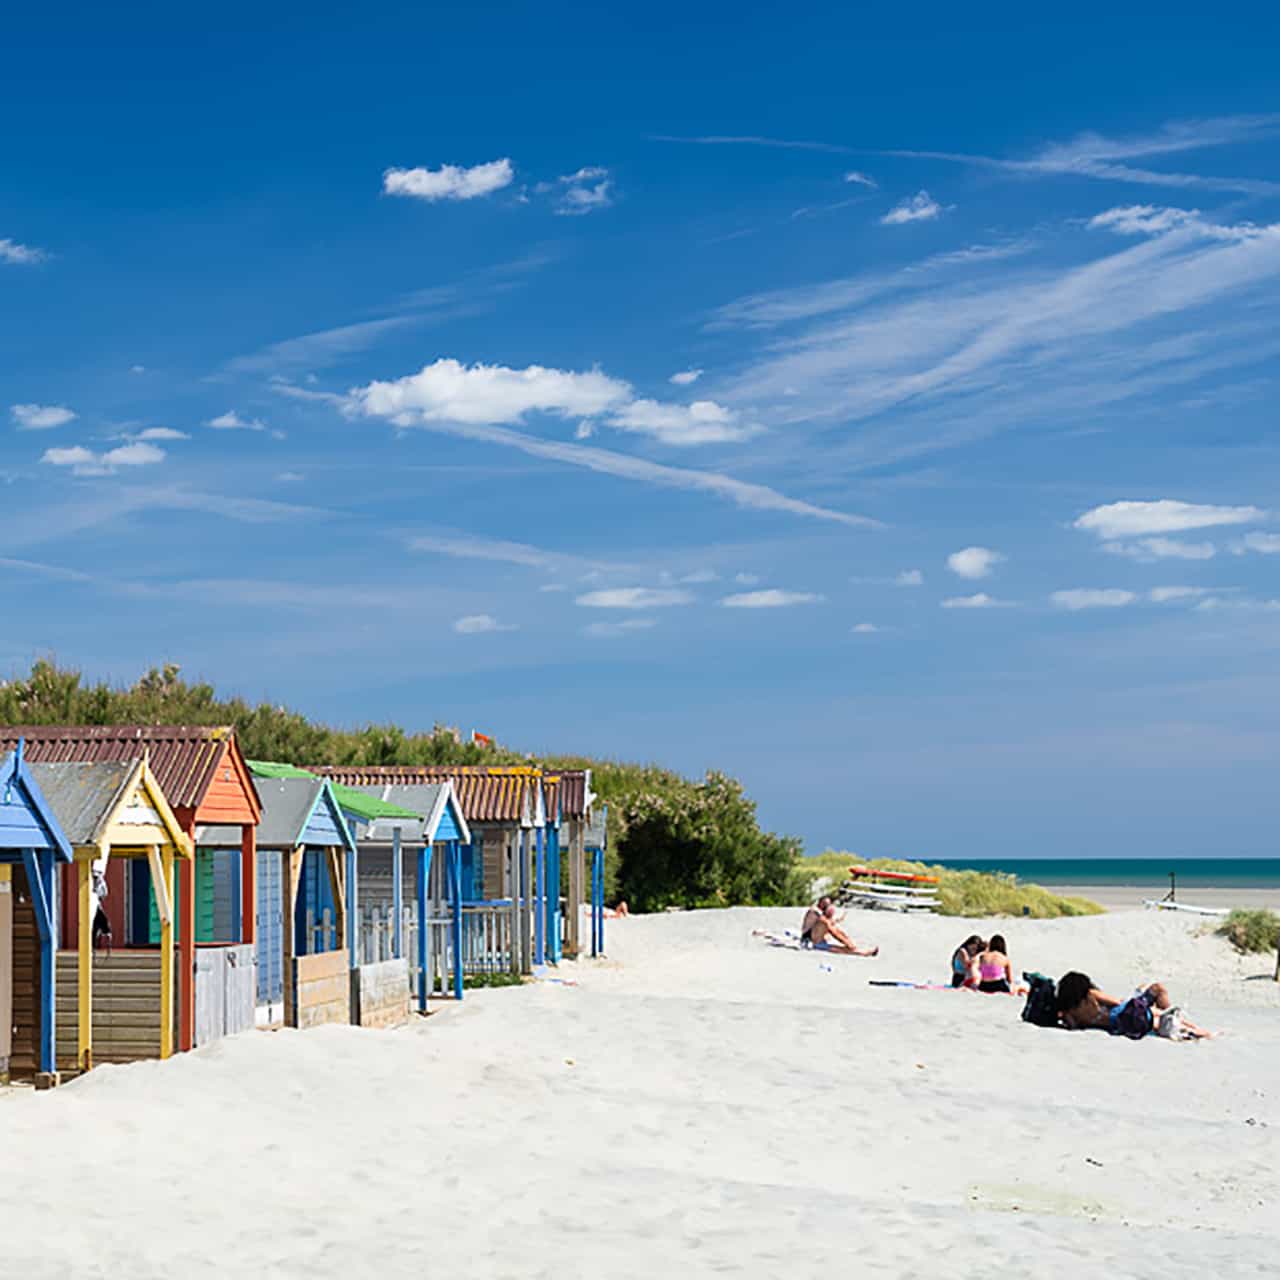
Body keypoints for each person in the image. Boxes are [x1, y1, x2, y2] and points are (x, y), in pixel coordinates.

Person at [1056, 971, 1214, 1040]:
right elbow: (1118, 1003)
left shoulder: (1071, 1012)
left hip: (1115, 1025)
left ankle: (1178, 1023)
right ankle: (1192, 1027)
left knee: (1154, 1016)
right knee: (1157, 991)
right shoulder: (1090, 994)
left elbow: (1075, 1027)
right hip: (1120, 1013)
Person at [800, 896, 878, 957]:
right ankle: (860, 951)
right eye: (826, 904)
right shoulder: (814, 911)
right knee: (841, 946)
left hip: (818, 939)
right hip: (811, 941)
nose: (827, 906)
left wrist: (837, 919)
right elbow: (831, 929)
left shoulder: (821, 916)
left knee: (836, 931)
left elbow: (832, 925)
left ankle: (855, 947)